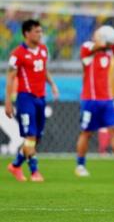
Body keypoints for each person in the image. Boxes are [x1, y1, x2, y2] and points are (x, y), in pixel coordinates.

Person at [74, 26, 114, 177]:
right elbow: (99, 45)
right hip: (90, 99)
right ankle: (80, 166)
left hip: (107, 100)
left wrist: (113, 37)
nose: (100, 35)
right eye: (98, 33)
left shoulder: (110, 50)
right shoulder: (87, 48)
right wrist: (105, 38)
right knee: (87, 133)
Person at [5, 19, 59, 182]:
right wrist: (8, 102)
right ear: (27, 34)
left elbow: (44, 69)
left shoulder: (43, 50)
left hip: (40, 98)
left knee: (36, 137)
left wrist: (52, 84)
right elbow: (10, 78)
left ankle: (15, 166)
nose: (40, 34)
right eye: (37, 31)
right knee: (30, 136)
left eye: (41, 31)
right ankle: (34, 171)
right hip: (25, 98)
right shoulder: (17, 54)